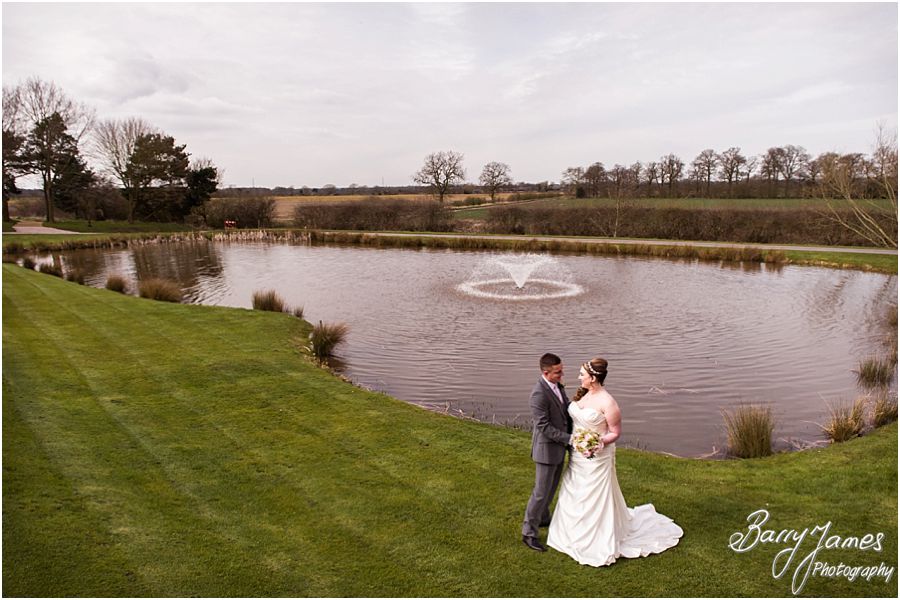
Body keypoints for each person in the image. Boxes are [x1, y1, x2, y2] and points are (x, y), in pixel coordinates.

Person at [547, 357, 682, 566]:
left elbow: (615, 432)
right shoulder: (583, 395)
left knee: (594, 495)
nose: (578, 377)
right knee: (574, 489)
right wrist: (578, 442)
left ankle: (597, 538)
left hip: (597, 457)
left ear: (592, 378)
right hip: (577, 456)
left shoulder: (608, 402)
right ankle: (569, 533)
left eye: (582, 374)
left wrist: (598, 442)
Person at [522, 352, 573, 552]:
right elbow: (543, 426)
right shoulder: (539, 394)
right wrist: (569, 438)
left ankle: (543, 518)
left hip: (559, 448)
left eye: (562, 371)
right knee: (541, 493)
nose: (562, 375)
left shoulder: (557, 386)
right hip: (546, 451)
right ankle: (528, 533)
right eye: (558, 373)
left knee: (551, 489)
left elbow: (564, 409)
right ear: (546, 372)